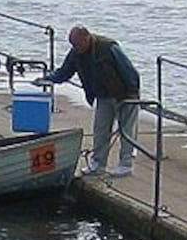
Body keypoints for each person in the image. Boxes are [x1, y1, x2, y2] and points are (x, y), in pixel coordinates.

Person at [34, 25, 140, 177]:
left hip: (124, 94)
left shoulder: (108, 47)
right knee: (100, 130)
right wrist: (47, 79)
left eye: (78, 44)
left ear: (87, 38)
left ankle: (126, 164)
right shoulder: (76, 53)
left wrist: (133, 92)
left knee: (127, 130)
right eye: (73, 45)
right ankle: (98, 163)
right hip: (103, 95)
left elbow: (128, 70)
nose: (76, 48)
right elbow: (64, 72)